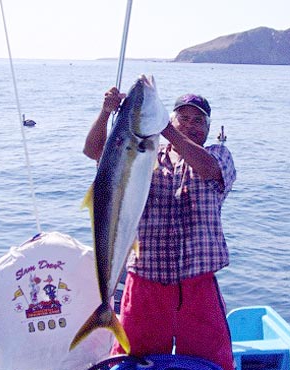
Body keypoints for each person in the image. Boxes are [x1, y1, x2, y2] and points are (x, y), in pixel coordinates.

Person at [83, 87, 237, 370]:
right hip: (145, 282)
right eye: (183, 118)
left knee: (212, 363)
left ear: (208, 129)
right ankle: (106, 314)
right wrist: (107, 114)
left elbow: (206, 168)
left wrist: (164, 127)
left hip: (198, 285)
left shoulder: (219, 156)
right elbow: (94, 152)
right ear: (173, 119)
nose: (190, 125)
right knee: (132, 361)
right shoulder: (146, 155)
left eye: (198, 121)